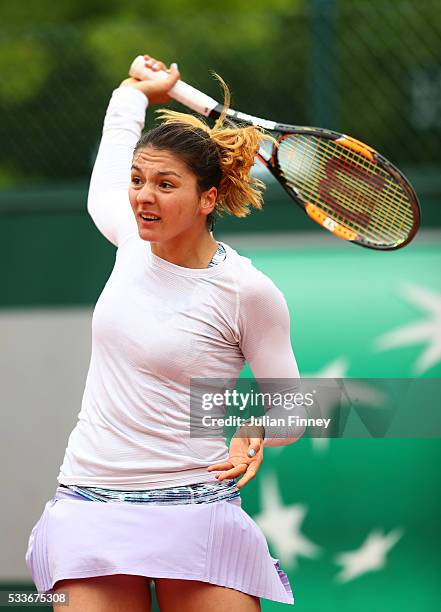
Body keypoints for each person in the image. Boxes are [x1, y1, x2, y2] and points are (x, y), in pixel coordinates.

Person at [25, 54, 304, 611]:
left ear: (207, 199)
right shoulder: (131, 240)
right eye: (138, 180)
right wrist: (136, 92)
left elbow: (294, 410)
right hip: (91, 503)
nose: (142, 197)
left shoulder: (249, 292)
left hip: (197, 509)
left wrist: (256, 428)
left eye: (165, 184)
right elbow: (107, 165)